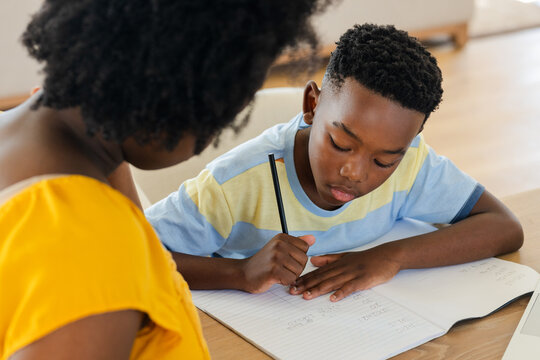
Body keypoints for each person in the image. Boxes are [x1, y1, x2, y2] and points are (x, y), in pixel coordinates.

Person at [0, 0, 329, 359]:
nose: (208, 140)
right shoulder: (92, 239)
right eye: (216, 122)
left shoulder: (42, 137)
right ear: (176, 102)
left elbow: (147, 256)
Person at [145, 23, 524, 303]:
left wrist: (391, 257)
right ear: (312, 105)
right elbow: (132, 253)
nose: (355, 173)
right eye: (342, 144)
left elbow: (504, 227)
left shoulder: (411, 165)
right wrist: (239, 273)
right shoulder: (236, 184)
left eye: (383, 160)